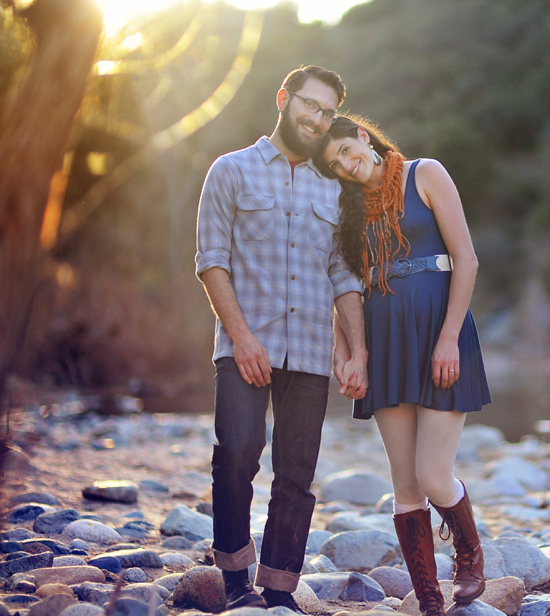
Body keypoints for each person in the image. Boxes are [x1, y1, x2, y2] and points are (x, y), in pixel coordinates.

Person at [195, 66, 367, 613]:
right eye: (308, 105)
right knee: (238, 455)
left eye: (325, 112)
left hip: (313, 351)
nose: (315, 119)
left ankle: (278, 588)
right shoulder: (230, 171)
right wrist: (241, 338)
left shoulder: (333, 188)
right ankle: (234, 578)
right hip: (246, 344)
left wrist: (356, 349)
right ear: (283, 99)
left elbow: (343, 276)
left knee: (297, 473)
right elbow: (211, 262)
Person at [315, 115, 492, 616]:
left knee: (434, 476)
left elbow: (467, 259)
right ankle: (430, 600)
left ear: (364, 138)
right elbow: (344, 285)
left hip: (440, 332)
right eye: (335, 164)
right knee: (405, 484)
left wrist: (450, 339)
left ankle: (469, 554)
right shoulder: (345, 212)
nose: (347, 167)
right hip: (384, 341)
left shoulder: (425, 174)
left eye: (348, 152)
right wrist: (347, 352)